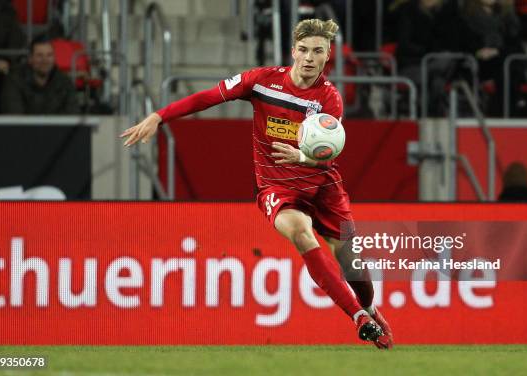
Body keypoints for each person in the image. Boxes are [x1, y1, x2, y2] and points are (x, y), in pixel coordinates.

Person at [120, 19, 393, 349]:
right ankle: (358, 317)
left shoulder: (328, 100)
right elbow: (208, 97)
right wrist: (159, 116)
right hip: (277, 189)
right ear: (293, 51)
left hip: (323, 188)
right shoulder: (261, 82)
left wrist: (302, 158)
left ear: (327, 56)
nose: (308, 58)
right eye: (303, 50)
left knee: (354, 266)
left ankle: (370, 307)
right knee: (301, 234)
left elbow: (327, 157)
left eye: (317, 51)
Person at [396, 0, 465, 116]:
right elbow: (404, 44)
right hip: (412, 65)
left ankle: (425, 113)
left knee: (441, 72)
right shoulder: (407, 11)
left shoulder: (446, 13)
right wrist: (429, 52)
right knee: (439, 74)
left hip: (436, 66)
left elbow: (454, 41)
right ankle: (431, 113)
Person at [462, 0, 522, 116]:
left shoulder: (508, 16)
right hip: (477, 60)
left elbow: (515, 43)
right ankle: (498, 114)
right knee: (506, 67)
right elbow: (464, 41)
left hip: (502, 58)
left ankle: (506, 114)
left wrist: (497, 51)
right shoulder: (467, 16)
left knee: (510, 66)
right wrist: (478, 51)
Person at [0, 36, 80, 115]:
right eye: (39, 55)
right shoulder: (14, 80)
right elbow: (14, 118)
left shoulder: (64, 82)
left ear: (54, 58)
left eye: (49, 55)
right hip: (25, 128)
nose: (45, 60)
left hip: (56, 128)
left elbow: (73, 115)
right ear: (30, 59)